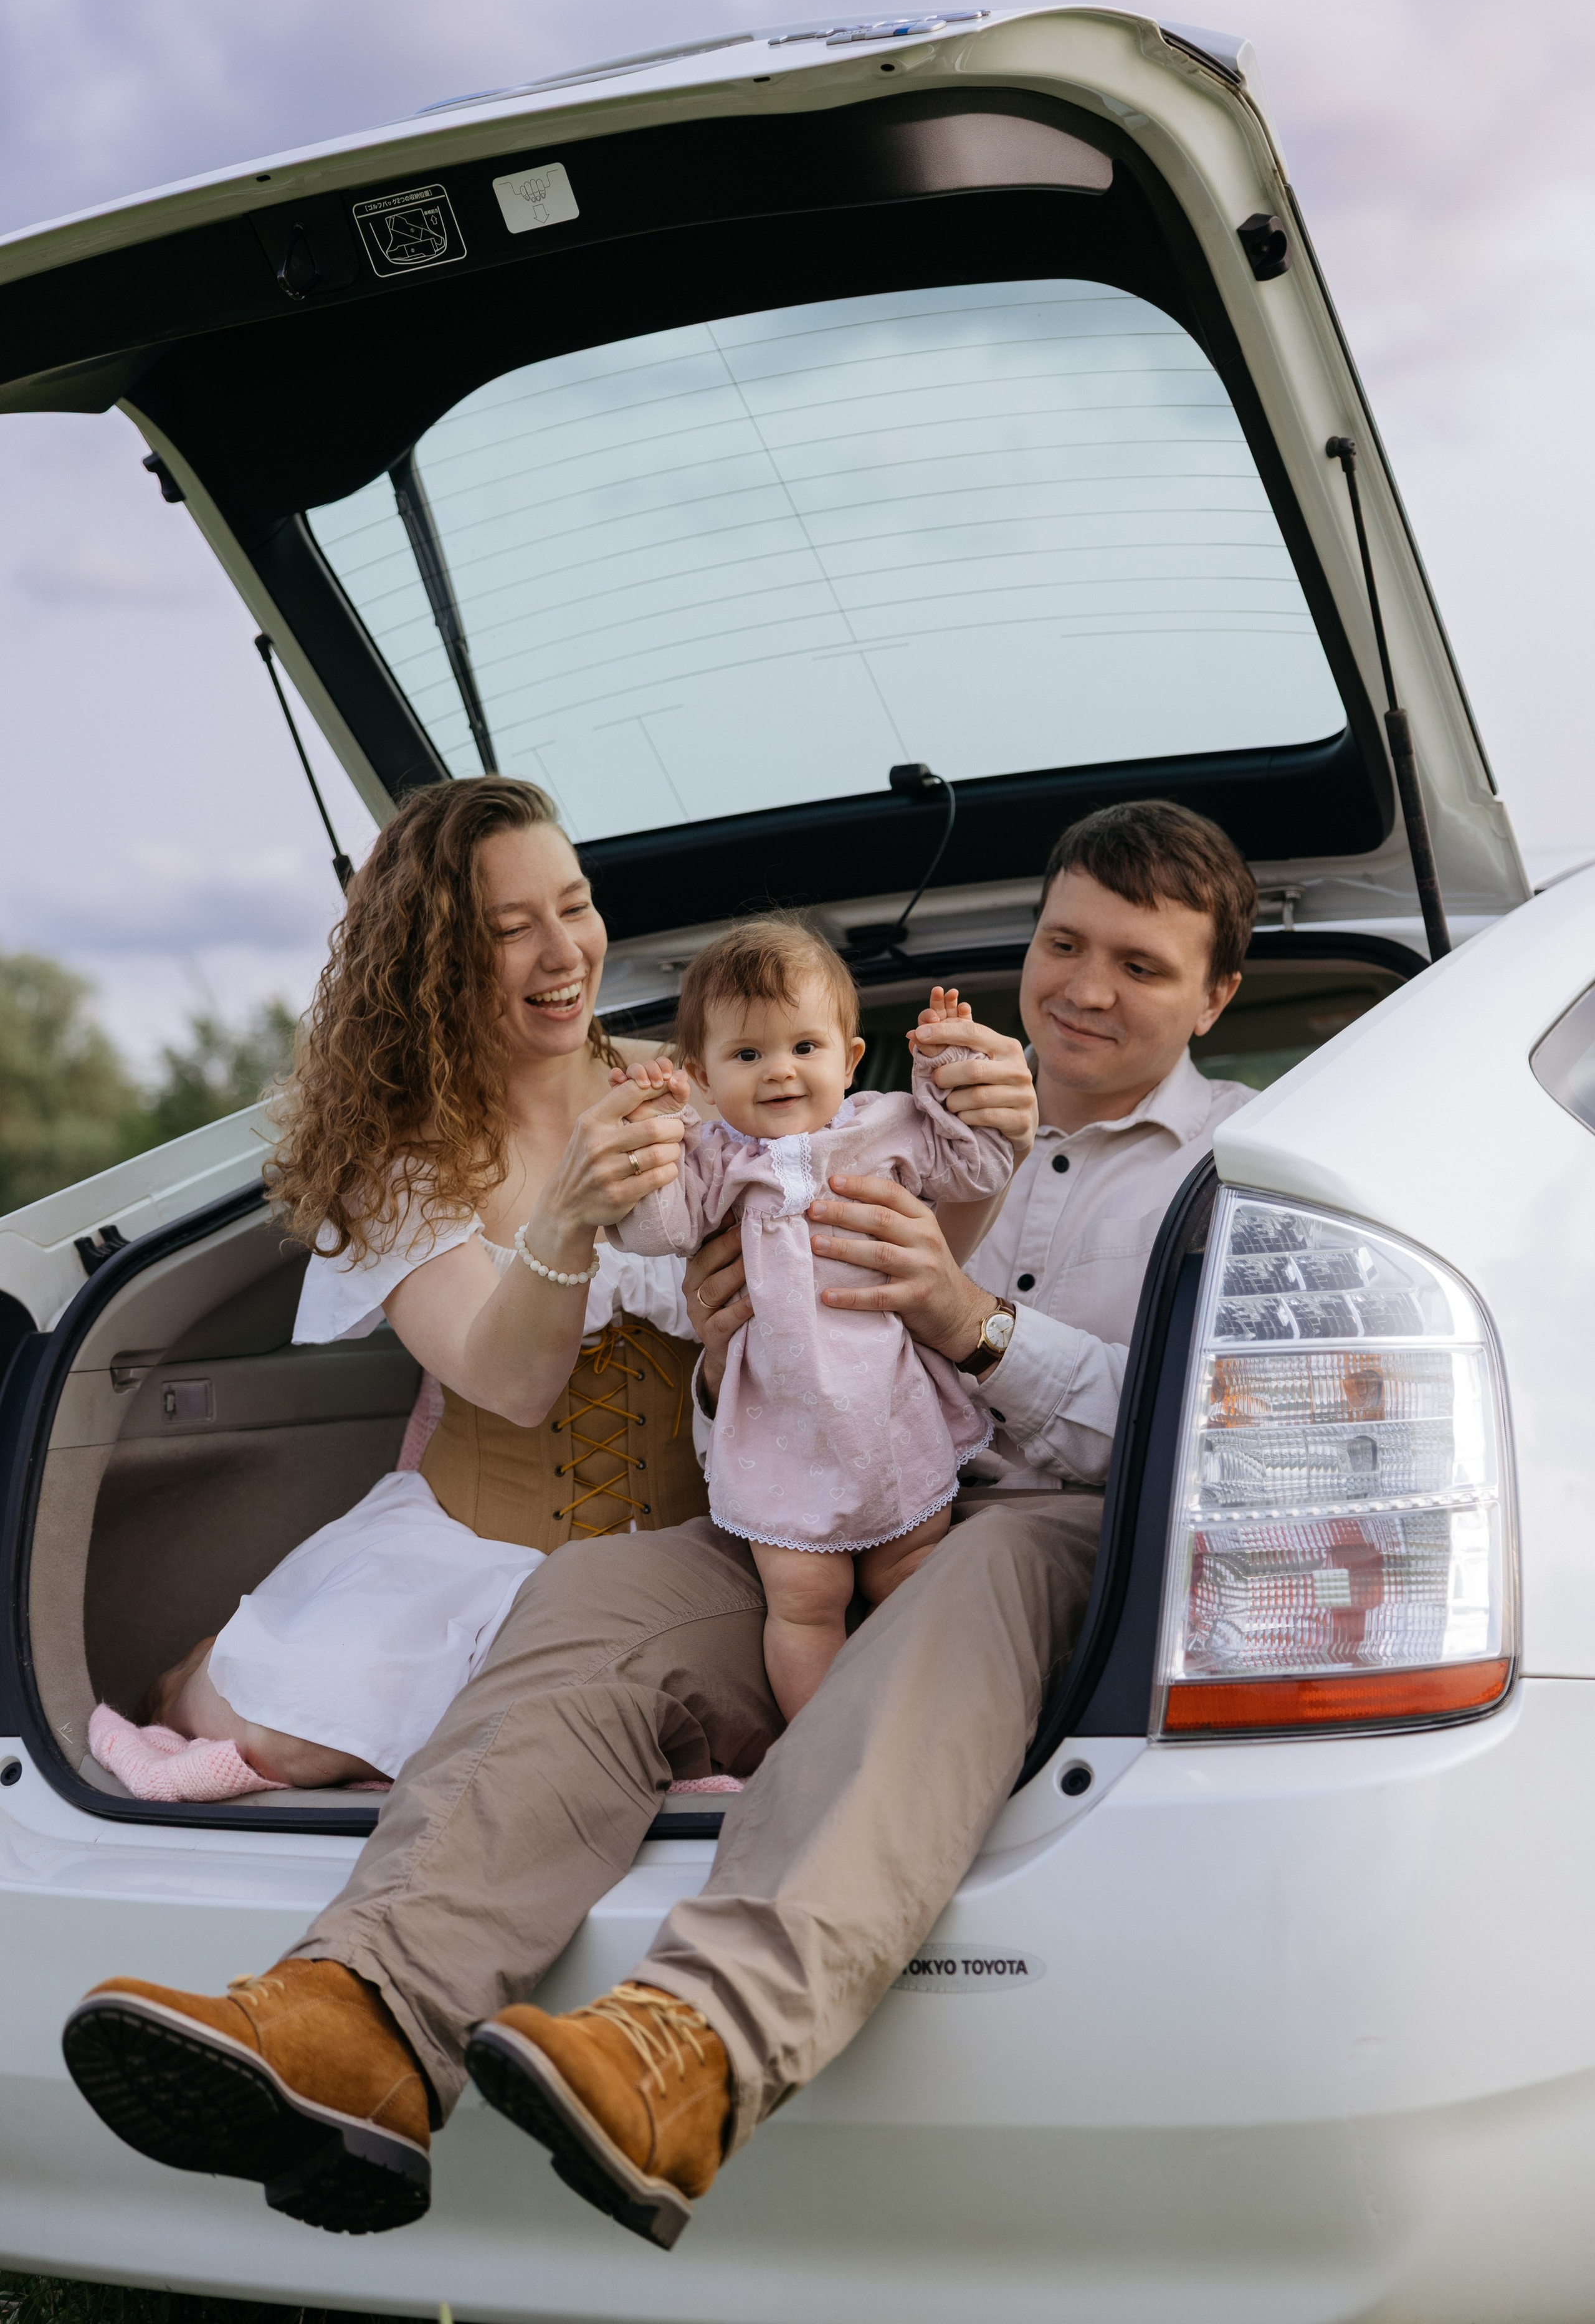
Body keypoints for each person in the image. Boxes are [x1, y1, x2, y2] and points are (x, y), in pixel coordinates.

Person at [62, 797, 1252, 2255]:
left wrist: (976, 1321)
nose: (1081, 986)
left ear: (1215, 994)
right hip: (802, 1518)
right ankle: (358, 2013)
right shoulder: (883, 1120)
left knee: (976, 1576)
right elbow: (776, 1348)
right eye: (1062, 942)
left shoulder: (1239, 1165)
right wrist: (716, 1344)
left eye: (1137, 964)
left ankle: (684, 2047)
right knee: (595, 1595)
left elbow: (1215, 1425)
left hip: (1050, 1520)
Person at [613, 919, 1014, 1716]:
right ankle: (822, 1740)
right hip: (782, 1427)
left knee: (910, 1571)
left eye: (804, 1048)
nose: (780, 1074)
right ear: (700, 1074)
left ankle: (907, 1717)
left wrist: (946, 1072)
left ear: (851, 1058)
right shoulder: (712, 1159)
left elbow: (981, 1165)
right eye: (747, 1055)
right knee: (802, 1599)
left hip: (888, 1410)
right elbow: (652, 1232)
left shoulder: (886, 1126)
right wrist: (650, 1134)